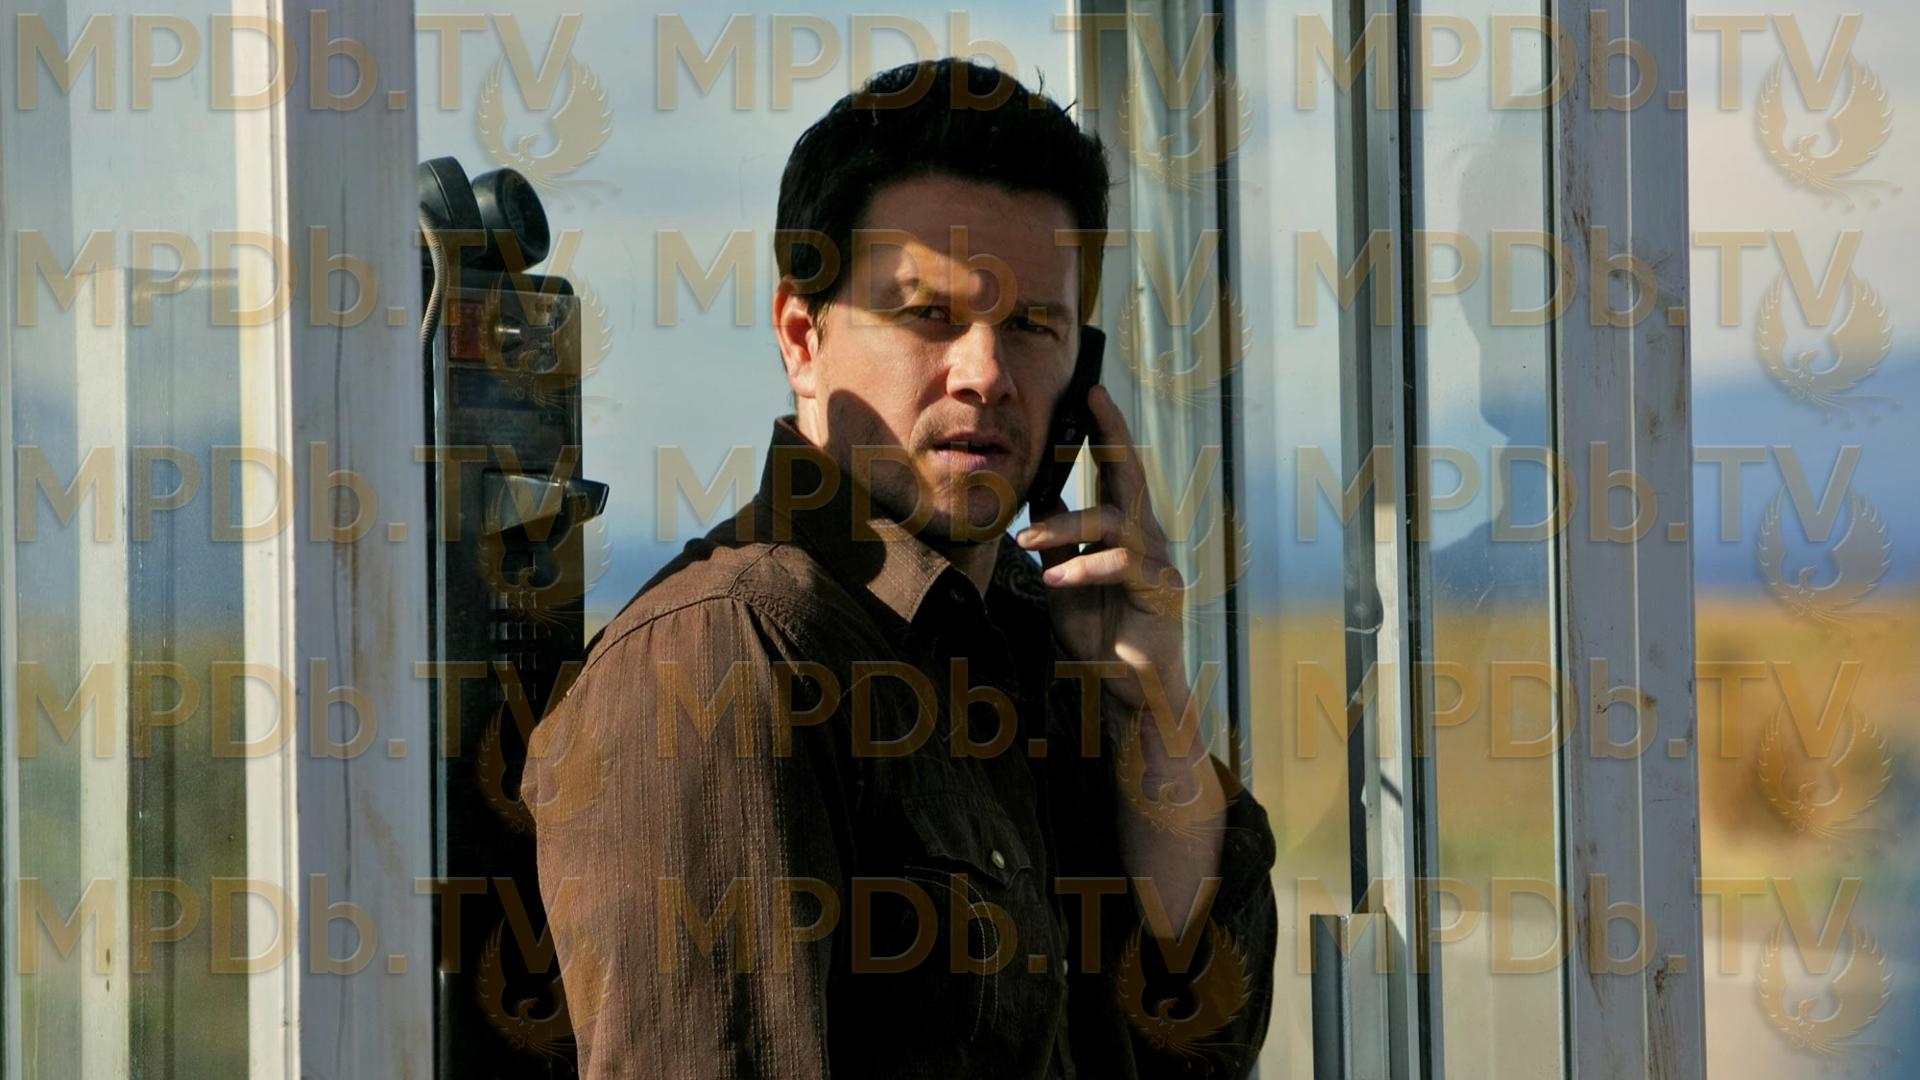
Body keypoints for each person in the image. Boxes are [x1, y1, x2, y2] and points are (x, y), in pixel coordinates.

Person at [525, 56, 1277, 1078]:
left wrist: (1152, 722)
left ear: (1083, 371)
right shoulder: (730, 653)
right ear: (803, 338)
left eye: (1033, 325)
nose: (986, 374)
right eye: (929, 315)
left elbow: (1198, 1045)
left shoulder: (1044, 641)